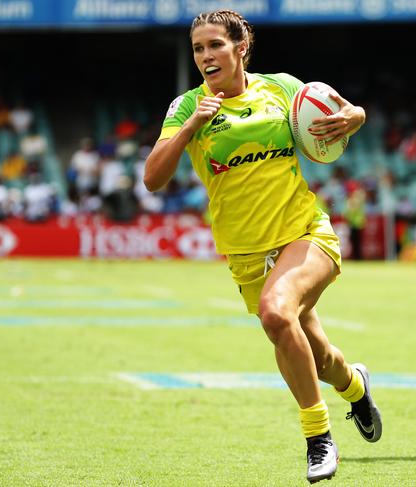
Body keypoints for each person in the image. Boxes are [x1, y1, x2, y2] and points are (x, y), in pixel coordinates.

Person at [144, 9, 382, 483]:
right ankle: (354, 387)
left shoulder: (281, 87)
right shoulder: (186, 105)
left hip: (304, 232)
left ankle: (318, 438)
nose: (206, 56)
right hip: (247, 254)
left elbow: (347, 112)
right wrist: (192, 126)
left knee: (277, 313)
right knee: (319, 356)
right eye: (198, 48)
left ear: (240, 48)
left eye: (215, 45)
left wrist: (354, 117)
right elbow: (153, 178)